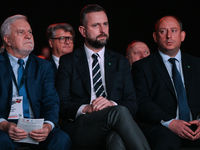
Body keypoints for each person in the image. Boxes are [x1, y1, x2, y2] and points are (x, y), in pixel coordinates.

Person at [55, 4, 150, 150]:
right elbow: (61, 104)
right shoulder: (68, 61)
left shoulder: (120, 62)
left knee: (115, 138)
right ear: (83, 31)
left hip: (113, 123)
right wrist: (86, 108)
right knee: (118, 113)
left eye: (105, 24)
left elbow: (132, 103)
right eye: (96, 25)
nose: (102, 30)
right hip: (81, 127)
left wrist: (111, 104)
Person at [0, 14, 71, 150]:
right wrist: (4, 125)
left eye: (30, 32)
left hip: (36, 128)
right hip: (6, 128)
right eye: (21, 32)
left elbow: (51, 101)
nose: (28, 36)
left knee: (61, 139)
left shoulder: (43, 66)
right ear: (7, 40)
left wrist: (48, 126)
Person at [132, 15, 200, 150]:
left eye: (174, 30)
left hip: (195, 124)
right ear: (155, 37)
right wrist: (170, 123)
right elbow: (142, 102)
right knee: (167, 142)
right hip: (161, 125)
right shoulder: (142, 66)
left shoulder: (197, 64)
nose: (169, 36)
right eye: (163, 31)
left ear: (182, 36)